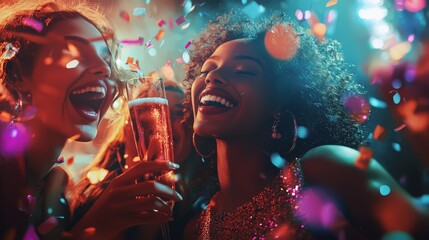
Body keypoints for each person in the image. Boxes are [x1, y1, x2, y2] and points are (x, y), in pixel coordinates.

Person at [181, 12, 429, 239]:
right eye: (206, 70)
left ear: (278, 101)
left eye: (243, 70)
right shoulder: (195, 230)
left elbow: (417, 225)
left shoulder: (323, 170)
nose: (212, 77)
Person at [0, 1, 181, 239]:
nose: (104, 69)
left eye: (107, 60)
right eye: (73, 53)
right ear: (19, 74)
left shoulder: (54, 188)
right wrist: (97, 226)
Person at [71, 80, 203, 239]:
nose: (163, 121)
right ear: (126, 133)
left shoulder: (201, 215)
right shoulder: (84, 201)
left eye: (179, 113)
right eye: (145, 115)